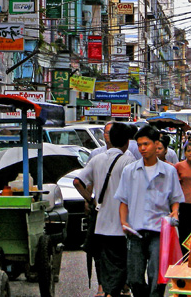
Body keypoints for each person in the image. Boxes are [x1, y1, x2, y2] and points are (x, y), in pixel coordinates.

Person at [115, 125, 185, 297]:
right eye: (139, 145)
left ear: (156, 144)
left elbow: (175, 200)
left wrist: (175, 212)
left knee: (157, 278)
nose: (142, 148)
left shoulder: (169, 171)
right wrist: (123, 223)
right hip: (135, 231)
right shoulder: (129, 171)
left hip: (159, 232)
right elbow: (123, 201)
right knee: (134, 278)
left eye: (146, 144)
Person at [73, 122, 135, 297]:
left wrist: (91, 199)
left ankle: (108, 290)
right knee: (122, 262)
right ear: (127, 142)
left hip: (101, 224)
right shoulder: (129, 161)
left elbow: (77, 181)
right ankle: (111, 292)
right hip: (122, 224)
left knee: (106, 261)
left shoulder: (96, 159)